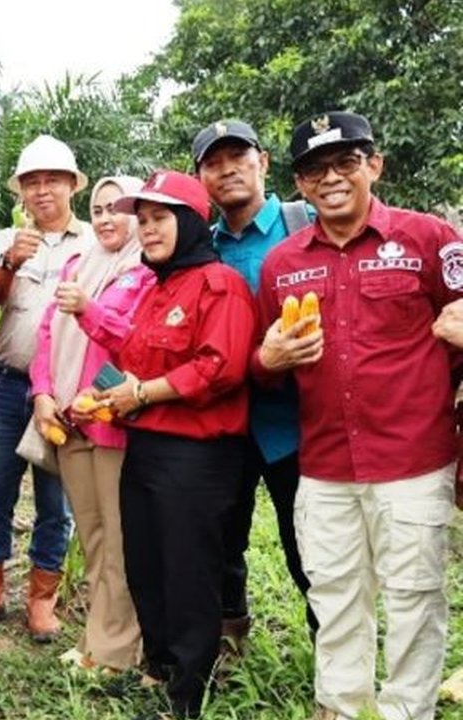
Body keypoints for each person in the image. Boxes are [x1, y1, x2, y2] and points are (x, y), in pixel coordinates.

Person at [253, 111, 462, 720]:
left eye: (347, 162)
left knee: (414, 598)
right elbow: (267, 362)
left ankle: (406, 712)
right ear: (299, 184)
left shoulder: (431, 239)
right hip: (324, 463)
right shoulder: (283, 263)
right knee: (336, 595)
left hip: (414, 459)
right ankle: (340, 707)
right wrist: (265, 357)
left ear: (375, 165)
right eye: (316, 169)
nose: (332, 178)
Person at [96, 170, 255, 718]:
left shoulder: (220, 284)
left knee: (189, 569)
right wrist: (105, 395)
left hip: (197, 455)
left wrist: (140, 394)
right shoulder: (157, 288)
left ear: (189, 221)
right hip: (145, 446)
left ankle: (189, 690)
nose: (147, 229)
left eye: (159, 218)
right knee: (147, 562)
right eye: (141, 220)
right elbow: (136, 361)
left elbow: (220, 368)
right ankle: (160, 666)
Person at [192, 119, 317, 644]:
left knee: (309, 544)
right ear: (200, 178)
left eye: (238, 157)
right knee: (222, 539)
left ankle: (330, 655)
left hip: (300, 423)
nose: (227, 171)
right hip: (228, 424)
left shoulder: (305, 224)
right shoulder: (198, 246)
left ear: (262, 162)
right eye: (213, 163)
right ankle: (229, 639)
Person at [0, 135, 90, 641]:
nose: (42, 192)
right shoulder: (3, 242)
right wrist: (10, 262)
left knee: (54, 503)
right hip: (7, 385)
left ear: (71, 186)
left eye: (52, 181)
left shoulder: (94, 242)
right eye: (32, 183)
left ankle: (41, 600)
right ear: (21, 192)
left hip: (64, 393)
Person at [30, 175, 152, 673]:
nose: (104, 218)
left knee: (121, 540)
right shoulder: (79, 264)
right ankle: (100, 641)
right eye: (98, 209)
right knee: (93, 536)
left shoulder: (147, 271)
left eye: (117, 209)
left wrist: (89, 308)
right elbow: (45, 334)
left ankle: (116, 651)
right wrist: (41, 394)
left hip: (114, 424)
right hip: (67, 422)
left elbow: (135, 342)